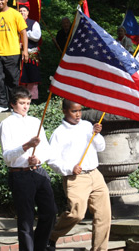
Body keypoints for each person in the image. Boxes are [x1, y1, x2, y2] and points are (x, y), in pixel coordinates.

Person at [0, 86, 57, 251]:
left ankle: (39, 246)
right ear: (13, 104)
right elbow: (7, 155)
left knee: (50, 212)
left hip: (38, 171)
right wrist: (26, 146)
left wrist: (38, 158)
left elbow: (47, 148)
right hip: (20, 175)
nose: (25, 106)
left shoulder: (35, 122)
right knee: (26, 218)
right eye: (22, 103)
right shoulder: (6, 124)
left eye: (28, 103)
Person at [47, 99, 111, 251]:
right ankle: (51, 236)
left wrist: (96, 134)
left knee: (104, 215)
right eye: (74, 111)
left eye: (80, 111)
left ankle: (100, 249)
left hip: (95, 174)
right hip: (76, 178)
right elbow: (52, 160)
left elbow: (101, 147)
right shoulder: (59, 133)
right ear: (64, 111)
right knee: (76, 214)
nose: (78, 114)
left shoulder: (87, 126)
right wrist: (70, 169)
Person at [18, 4, 42, 101]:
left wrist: (24, 33)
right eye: (20, 11)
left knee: (32, 77)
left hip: (31, 54)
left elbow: (36, 36)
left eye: (24, 10)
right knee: (21, 78)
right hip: (18, 55)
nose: (22, 12)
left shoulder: (33, 23)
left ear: (27, 12)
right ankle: (22, 99)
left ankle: (33, 99)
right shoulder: (15, 23)